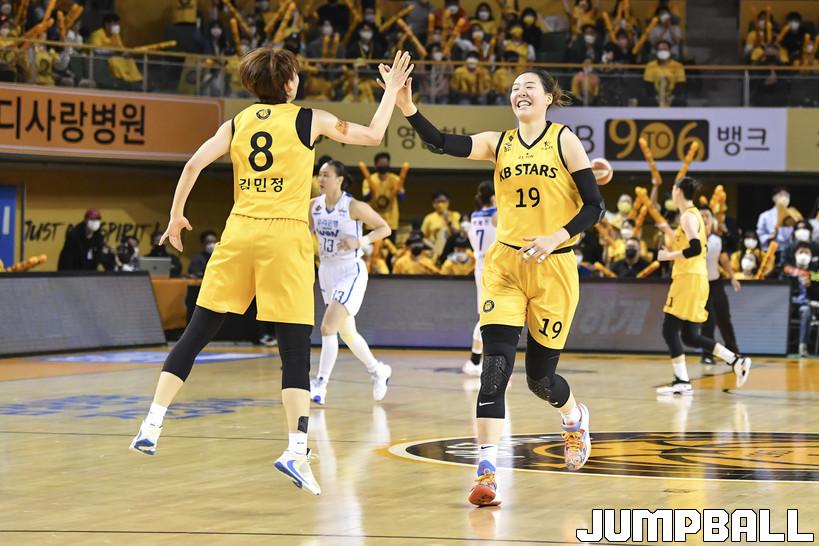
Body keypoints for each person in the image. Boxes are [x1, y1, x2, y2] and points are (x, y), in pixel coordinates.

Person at [128, 48, 414, 498]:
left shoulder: (237, 123)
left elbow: (193, 164)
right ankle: (296, 450)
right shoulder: (310, 119)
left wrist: (177, 215)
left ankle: (151, 423)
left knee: (196, 334)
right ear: (290, 84)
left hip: (239, 232)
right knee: (295, 350)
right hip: (284, 237)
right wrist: (391, 91)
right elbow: (374, 135)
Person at [391, 68, 605, 507]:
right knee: (494, 370)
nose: (520, 92)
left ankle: (574, 417)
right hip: (506, 266)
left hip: (554, 267)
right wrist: (408, 107)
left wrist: (555, 236)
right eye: (514, 88)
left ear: (548, 98)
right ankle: (486, 470)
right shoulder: (498, 142)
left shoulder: (564, 140)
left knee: (540, 381)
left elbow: (594, 206)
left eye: (529, 87)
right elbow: (442, 142)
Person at [655, 178, 751, 396]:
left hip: (688, 279)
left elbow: (695, 248)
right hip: (696, 278)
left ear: (679, 191)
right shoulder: (693, 215)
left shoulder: (688, 216)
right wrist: (668, 234)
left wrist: (668, 256)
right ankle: (736, 360)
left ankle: (682, 381)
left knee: (669, 330)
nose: (672, 192)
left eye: (673, 188)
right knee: (689, 336)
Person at [309, 160, 393, 405]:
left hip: (350, 271)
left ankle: (320, 384)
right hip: (326, 271)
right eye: (319, 175)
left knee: (328, 328)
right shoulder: (313, 206)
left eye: (326, 175)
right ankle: (378, 370)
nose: (321, 179)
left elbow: (384, 228)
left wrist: (361, 241)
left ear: (339, 179)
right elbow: (306, 233)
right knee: (347, 332)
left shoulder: (353, 206)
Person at [698, 205, 741, 367]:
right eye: (701, 215)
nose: (704, 218)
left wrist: (733, 277)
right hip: (700, 285)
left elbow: (724, 259)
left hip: (716, 283)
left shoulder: (717, 239)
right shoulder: (691, 239)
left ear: (712, 219)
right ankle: (707, 354)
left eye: (707, 216)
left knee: (724, 317)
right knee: (708, 321)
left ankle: (733, 352)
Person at [463, 180, 497, 376]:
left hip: (480, 266)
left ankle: (476, 360)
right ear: (493, 197)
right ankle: (479, 361)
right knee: (491, 316)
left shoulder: (474, 216)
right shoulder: (497, 214)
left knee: (487, 315)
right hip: (494, 267)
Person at [783, 242, 819, 357]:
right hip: (787, 305)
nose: (804, 255)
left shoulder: (815, 274)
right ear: (795, 255)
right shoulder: (787, 272)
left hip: (805, 305)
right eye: (801, 252)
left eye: (807, 252)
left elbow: (816, 295)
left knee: (806, 311)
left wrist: (810, 286)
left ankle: (803, 346)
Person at [362, 152, 404, 234]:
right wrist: (372, 191)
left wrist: (397, 191)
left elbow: (402, 198)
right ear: (376, 165)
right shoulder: (369, 180)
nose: (383, 165)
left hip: (391, 222)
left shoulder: (395, 179)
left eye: (386, 163)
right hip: (372, 222)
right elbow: (365, 198)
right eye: (381, 163)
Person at [643, 40, 685, 107]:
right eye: (660, 49)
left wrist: (672, 97)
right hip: (655, 97)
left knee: (681, 103)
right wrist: (656, 97)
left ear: (669, 51)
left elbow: (680, 84)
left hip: (673, 97)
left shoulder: (678, 65)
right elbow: (648, 85)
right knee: (647, 102)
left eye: (665, 49)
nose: (663, 51)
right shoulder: (650, 65)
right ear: (657, 52)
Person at [421, 192, 461, 259]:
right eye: (438, 202)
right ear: (434, 204)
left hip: (452, 250)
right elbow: (422, 237)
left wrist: (448, 222)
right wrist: (433, 247)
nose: (441, 204)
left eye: (443, 201)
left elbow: (458, 234)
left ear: (448, 202)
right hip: (434, 249)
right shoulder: (429, 218)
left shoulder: (455, 215)